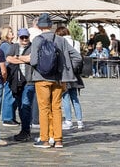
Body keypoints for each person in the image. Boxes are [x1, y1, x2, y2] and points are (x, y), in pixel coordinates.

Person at [27, 12, 82, 149]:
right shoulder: (61, 40)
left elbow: (33, 60)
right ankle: (58, 140)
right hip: (58, 78)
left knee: (44, 109)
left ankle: (45, 139)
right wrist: (68, 69)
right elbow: (77, 57)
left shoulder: (37, 40)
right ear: (51, 25)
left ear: (39, 26)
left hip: (41, 78)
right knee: (57, 108)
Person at [5, 28, 35, 142]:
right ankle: (25, 128)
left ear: (29, 36)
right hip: (16, 82)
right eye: (22, 37)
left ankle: (25, 130)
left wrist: (17, 57)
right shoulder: (14, 47)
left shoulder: (33, 47)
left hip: (29, 81)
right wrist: (24, 60)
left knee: (26, 105)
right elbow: (8, 58)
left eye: (26, 37)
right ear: (19, 38)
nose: (24, 39)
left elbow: (32, 59)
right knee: (20, 107)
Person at [57, 26, 84, 131]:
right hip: (75, 73)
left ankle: (68, 120)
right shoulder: (76, 42)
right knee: (75, 98)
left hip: (66, 73)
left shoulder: (61, 42)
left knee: (65, 97)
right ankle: (80, 121)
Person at [0, 27, 17, 126]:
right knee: (8, 94)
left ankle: (11, 116)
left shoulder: (11, 44)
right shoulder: (5, 45)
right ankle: (7, 117)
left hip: (12, 71)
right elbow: (9, 58)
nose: (12, 33)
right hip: (9, 72)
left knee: (12, 94)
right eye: (10, 32)